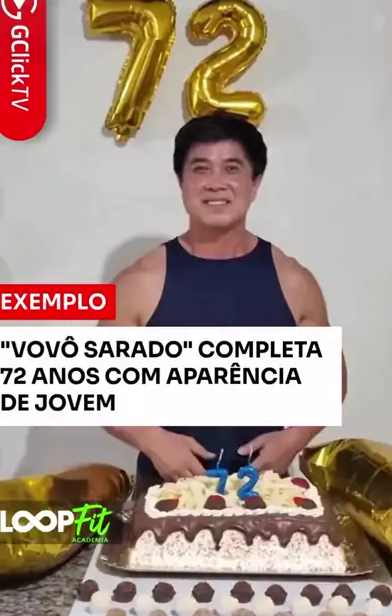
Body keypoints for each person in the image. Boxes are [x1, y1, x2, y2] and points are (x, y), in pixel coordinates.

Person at [101, 113, 347, 491]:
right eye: (201, 168)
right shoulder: (139, 282)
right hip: (167, 494)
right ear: (181, 182)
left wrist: (292, 439)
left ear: (255, 182)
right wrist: (153, 440)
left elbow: (331, 380)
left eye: (231, 168)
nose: (215, 182)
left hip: (264, 493)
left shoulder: (293, 281)